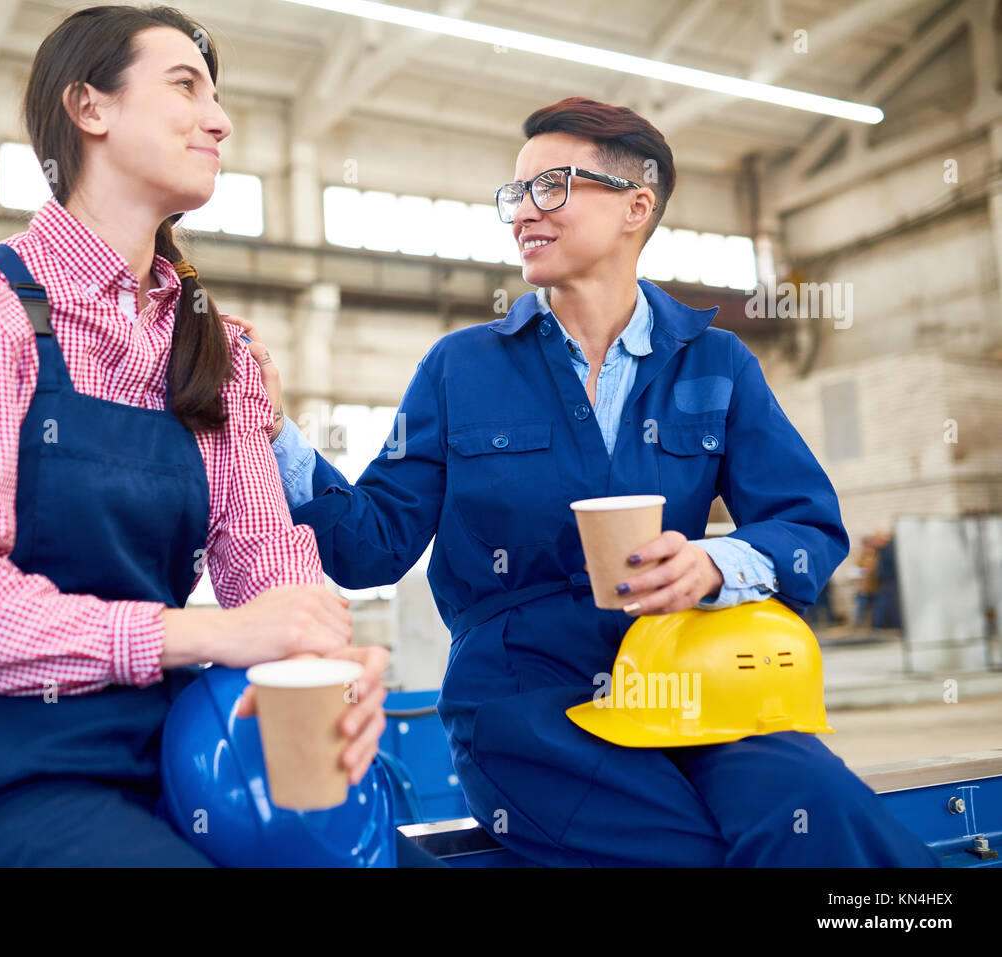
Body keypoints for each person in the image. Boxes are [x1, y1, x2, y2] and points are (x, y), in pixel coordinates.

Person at [228, 97, 940, 867]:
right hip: (526, 701)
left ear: (637, 205)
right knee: (684, 853)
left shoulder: (717, 364)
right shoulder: (460, 368)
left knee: (826, 816)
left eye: (553, 186)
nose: (523, 213)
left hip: (686, 684)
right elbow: (369, 545)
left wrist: (713, 564)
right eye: (515, 193)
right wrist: (275, 430)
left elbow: (808, 525)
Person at [0, 4, 432, 866]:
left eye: (217, 96)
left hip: (181, 749)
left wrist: (332, 668)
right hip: (2, 769)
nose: (221, 119)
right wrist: (203, 636)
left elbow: (272, 575)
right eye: (185, 86)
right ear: (90, 108)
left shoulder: (220, 351)